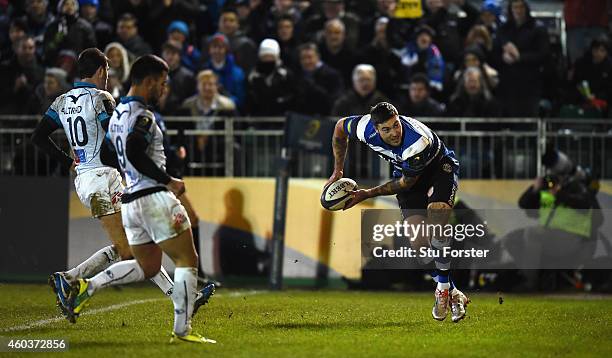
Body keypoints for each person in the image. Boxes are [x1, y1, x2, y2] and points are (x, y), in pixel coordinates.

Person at [29, 49, 213, 320]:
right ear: (102, 71)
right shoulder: (102, 98)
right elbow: (114, 139)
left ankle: (180, 295)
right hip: (104, 177)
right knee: (129, 248)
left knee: (135, 242)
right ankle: (73, 282)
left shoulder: (62, 101)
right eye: (107, 71)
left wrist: (68, 161)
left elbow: (39, 137)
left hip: (86, 179)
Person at [326, 102, 469, 322]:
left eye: (396, 125)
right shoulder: (364, 128)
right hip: (406, 174)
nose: (394, 132)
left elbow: (404, 183)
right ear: (375, 129)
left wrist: (367, 194)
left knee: (437, 216)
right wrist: (338, 169)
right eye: (387, 129)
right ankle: (454, 292)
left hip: (439, 170)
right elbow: (339, 128)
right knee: (419, 243)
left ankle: (442, 289)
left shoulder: (416, 142)